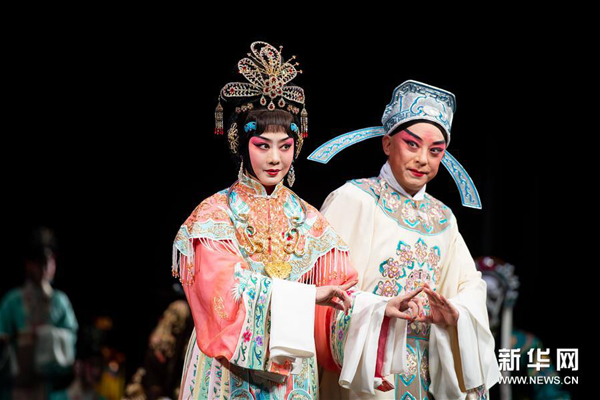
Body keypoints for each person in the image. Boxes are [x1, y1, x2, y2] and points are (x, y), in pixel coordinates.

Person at [171, 42, 423, 400]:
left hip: (293, 374)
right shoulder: (214, 215)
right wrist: (307, 296)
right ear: (242, 144)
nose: (275, 158)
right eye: (263, 145)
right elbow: (222, 293)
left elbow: (340, 295)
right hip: (224, 373)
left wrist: (380, 309)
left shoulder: (309, 219)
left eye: (285, 146)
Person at [314, 80, 501, 399]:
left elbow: (470, 286)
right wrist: (378, 309)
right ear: (387, 144)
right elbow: (323, 290)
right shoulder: (355, 199)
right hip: (368, 368)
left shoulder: (444, 219)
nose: (423, 159)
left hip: (427, 369)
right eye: (412, 145)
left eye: (435, 150)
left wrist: (457, 314)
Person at [0, 227, 78, 400]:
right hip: (16, 387)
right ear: (29, 264)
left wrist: (46, 335)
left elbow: (71, 341)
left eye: (48, 260)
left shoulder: (60, 302)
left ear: (54, 263)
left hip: (48, 388)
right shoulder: (12, 301)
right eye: (38, 261)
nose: (43, 267)